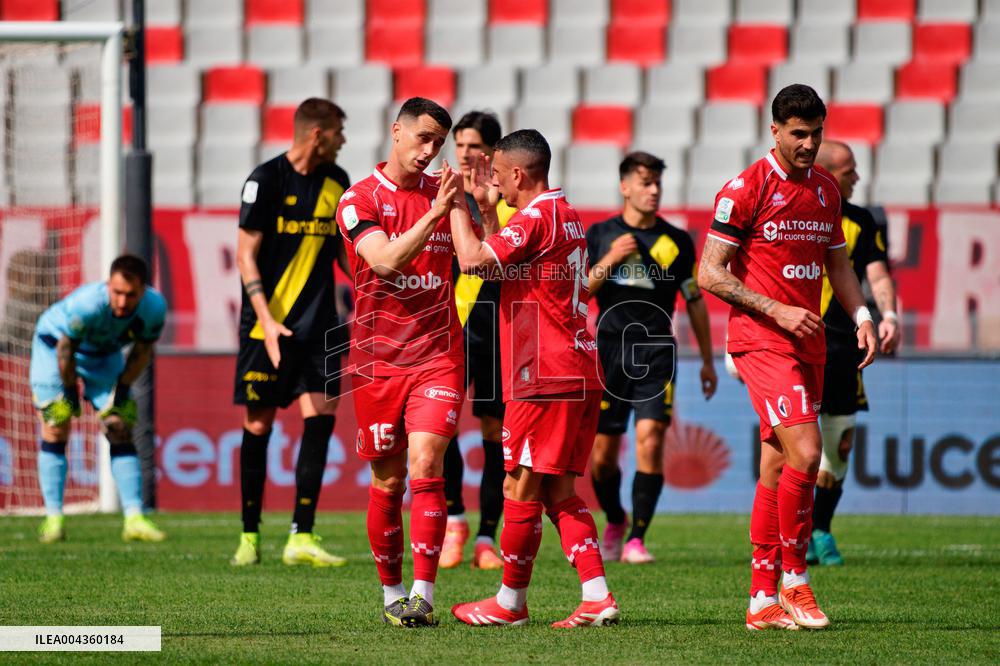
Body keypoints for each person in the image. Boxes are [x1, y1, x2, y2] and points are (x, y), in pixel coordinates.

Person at [697, 84, 877, 631]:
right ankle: (795, 582)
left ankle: (760, 599)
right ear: (774, 131)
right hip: (762, 339)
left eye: (816, 133)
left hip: (809, 342)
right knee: (808, 449)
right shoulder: (745, 189)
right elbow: (710, 273)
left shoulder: (826, 190)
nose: (808, 143)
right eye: (798, 134)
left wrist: (862, 315)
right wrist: (776, 309)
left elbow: (838, 265)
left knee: (776, 463)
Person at [449, 130, 619, 628]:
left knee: (518, 487)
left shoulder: (535, 217)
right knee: (558, 492)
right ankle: (597, 596)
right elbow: (502, 272)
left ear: (519, 174)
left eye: (499, 176)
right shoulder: (565, 214)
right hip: (576, 368)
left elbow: (472, 262)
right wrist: (485, 215)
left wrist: (454, 204)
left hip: (544, 372)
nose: (495, 184)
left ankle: (509, 603)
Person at [334, 97, 465, 627]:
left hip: (438, 355)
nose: (430, 150)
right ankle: (391, 593)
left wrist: (477, 203)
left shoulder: (447, 194)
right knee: (388, 482)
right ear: (396, 130)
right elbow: (385, 261)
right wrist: (437, 212)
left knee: (427, 464)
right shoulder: (358, 199)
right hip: (377, 362)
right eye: (423, 137)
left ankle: (423, 593)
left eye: (439, 142)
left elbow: (477, 256)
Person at [230, 98, 351, 568]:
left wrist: (373, 291)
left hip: (321, 325)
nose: (343, 140)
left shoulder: (337, 182)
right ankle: (250, 534)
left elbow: (343, 253)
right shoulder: (265, 180)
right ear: (318, 134)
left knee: (321, 419)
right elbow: (245, 255)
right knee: (259, 423)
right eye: (338, 132)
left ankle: (302, 534)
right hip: (268, 326)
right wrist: (265, 319)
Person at [586, 151, 718, 564]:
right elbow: (580, 291)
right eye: (646, 182)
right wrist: (610, 260)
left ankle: (636, 540)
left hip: (657, 352)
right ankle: (616, 518)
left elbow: (694, 300)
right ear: (625, 186)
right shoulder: (600, 234)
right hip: (608, 352)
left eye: (658, 182)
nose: (654, 190)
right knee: (602, 457)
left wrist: (709, 361)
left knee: (651, 439)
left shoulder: (676, 241)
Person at [808, 140, 900, 566]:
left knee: (840, 444)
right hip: (798, 345)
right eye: (850, 171)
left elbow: (877, 275)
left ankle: (820, 530)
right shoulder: (796, 212)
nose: (857, 177)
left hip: (846, 347)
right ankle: (790, 535)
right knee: (797, 446)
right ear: (827, 173)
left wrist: (889, 315)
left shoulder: (861, 221)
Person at [31, 254, 167, 543]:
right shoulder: (88, 304)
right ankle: (54, 519)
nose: (122, 301)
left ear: (143, 290)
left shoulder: (154, 308)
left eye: (130, 295)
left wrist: (123, 390)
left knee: (119, 426)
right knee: (56, 424)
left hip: (103, 355)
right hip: (54, 347)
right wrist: (70, 393)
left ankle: (134, 519)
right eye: (116, 292)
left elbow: (142, 351)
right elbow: (66, 349)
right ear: (108, 285)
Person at [441, 111, 518, 571]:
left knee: (494, 432)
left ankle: (487, 538)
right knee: (442, 425)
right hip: (450, 328)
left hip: (496, 331)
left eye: (475, 146)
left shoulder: (507, 202)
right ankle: (455, 522)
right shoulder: (443, 197)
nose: (466, 153)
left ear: (492, 152)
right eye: (461, 145)